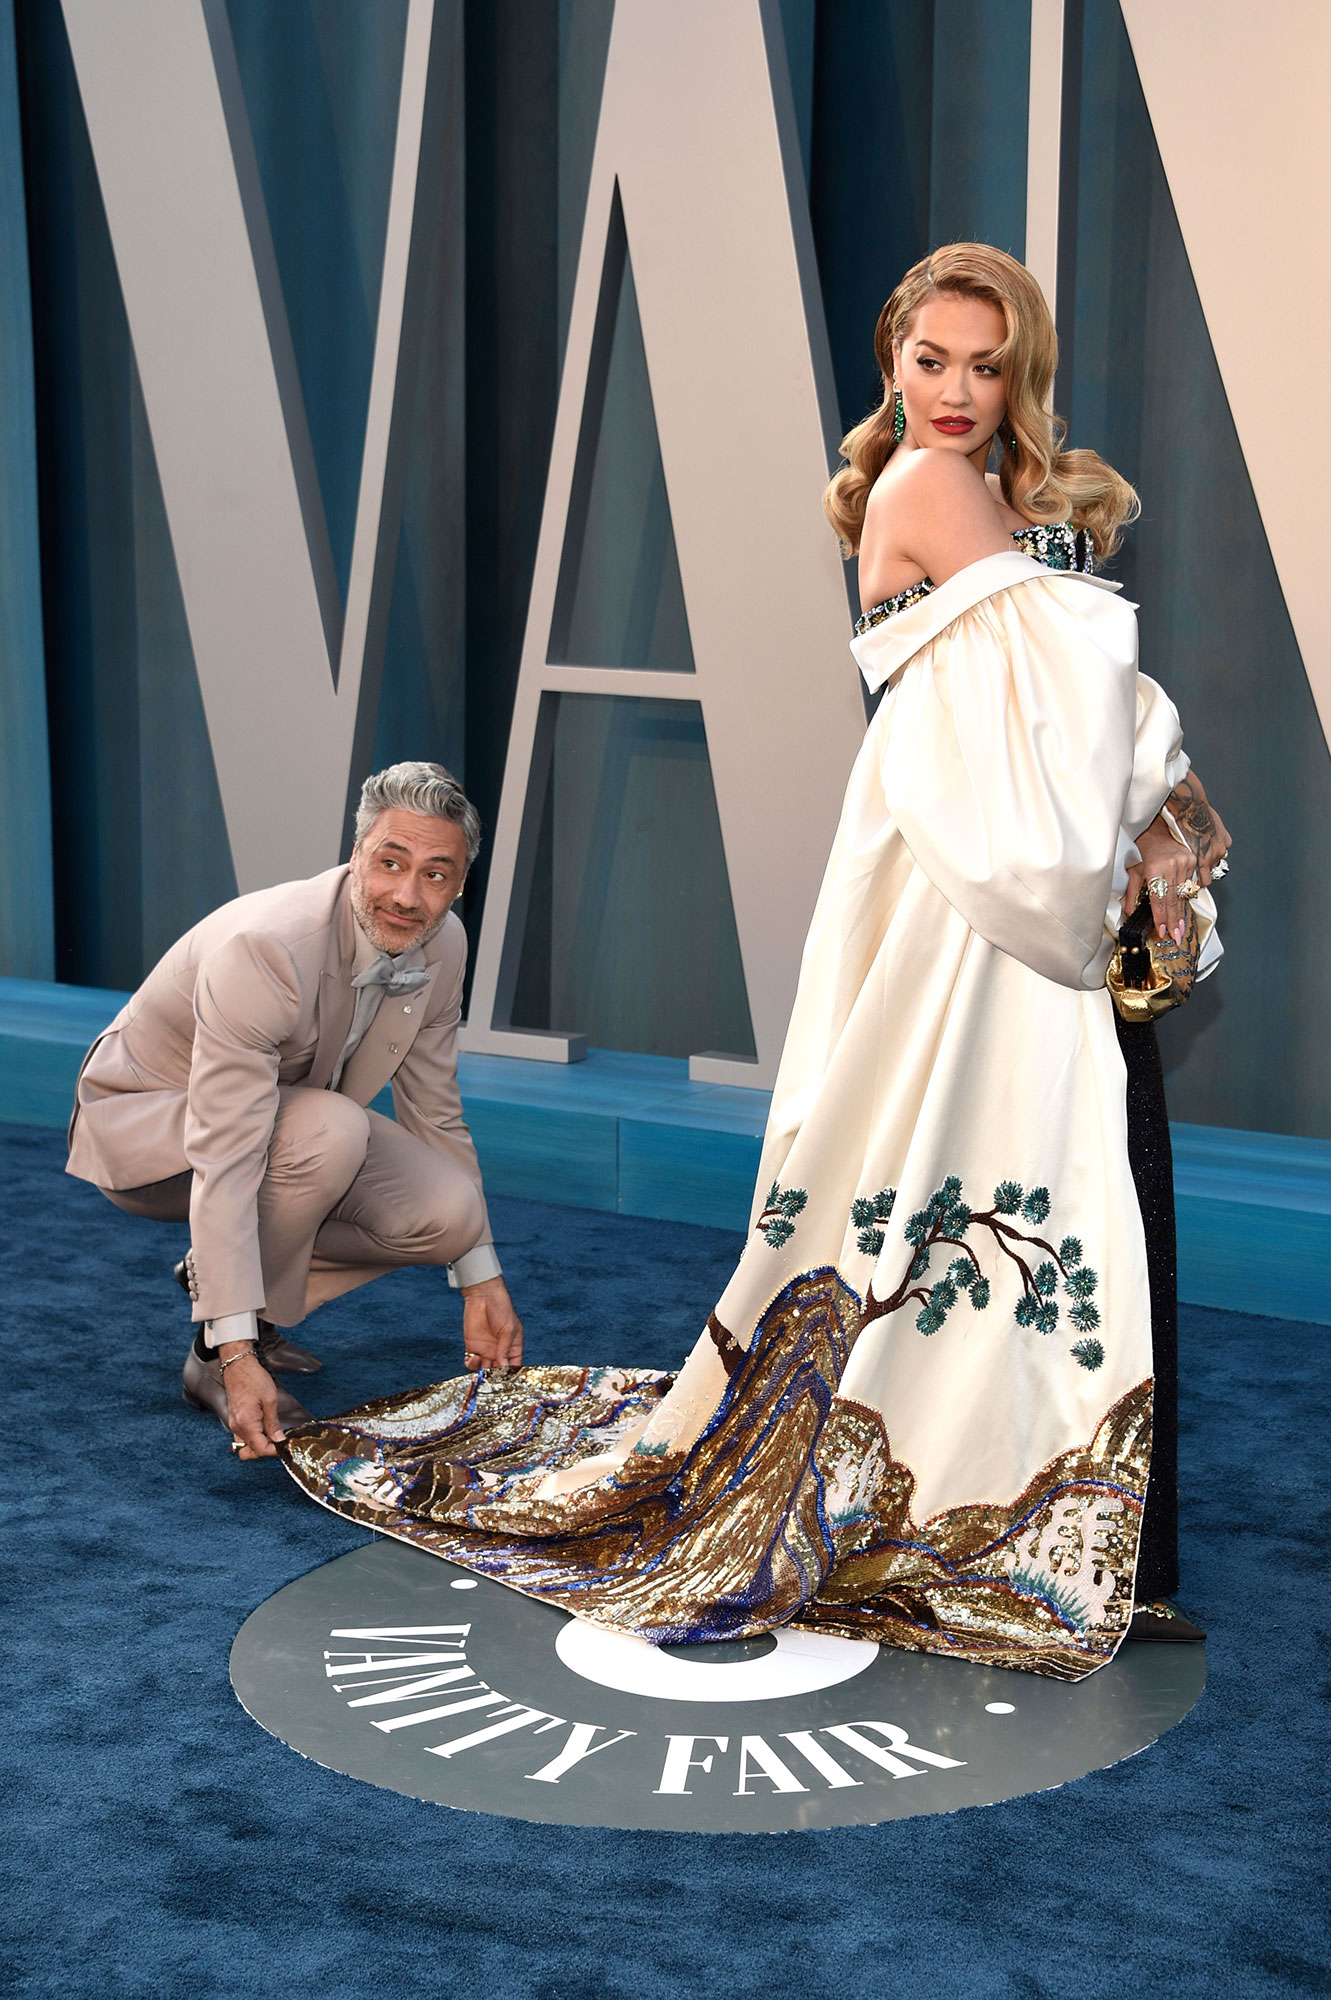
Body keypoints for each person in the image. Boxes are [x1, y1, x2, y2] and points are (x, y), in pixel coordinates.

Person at [280, 246, 1224, 1681]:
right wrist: (1144, 785)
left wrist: (1145, 805)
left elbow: (1058, 696)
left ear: (1014, 369)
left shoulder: (987, 496)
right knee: (1000, 1171)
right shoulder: (919, 487)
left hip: (999, 864)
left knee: (1048, 1172)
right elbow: (1077, 682)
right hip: (968, 886)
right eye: (930, 362)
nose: (956, 392)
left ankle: (1068, 1509)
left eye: (984, 365)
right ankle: (1015, 1511)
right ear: (890, 362)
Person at [66, 761, 523, 1461]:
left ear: (459, 885)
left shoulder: (444, 943)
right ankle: (215, 1354)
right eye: (390, 863)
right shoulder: (268, 947)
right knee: (330, 1130)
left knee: (451, 1212)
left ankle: (230, 1280)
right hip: (151, 1132)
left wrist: (480, 1277)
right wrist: (234, 1345)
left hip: (288, 1127)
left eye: (435, 874)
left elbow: (435, 1111)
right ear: (355, 856)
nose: (407, 895)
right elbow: (227, 1152)